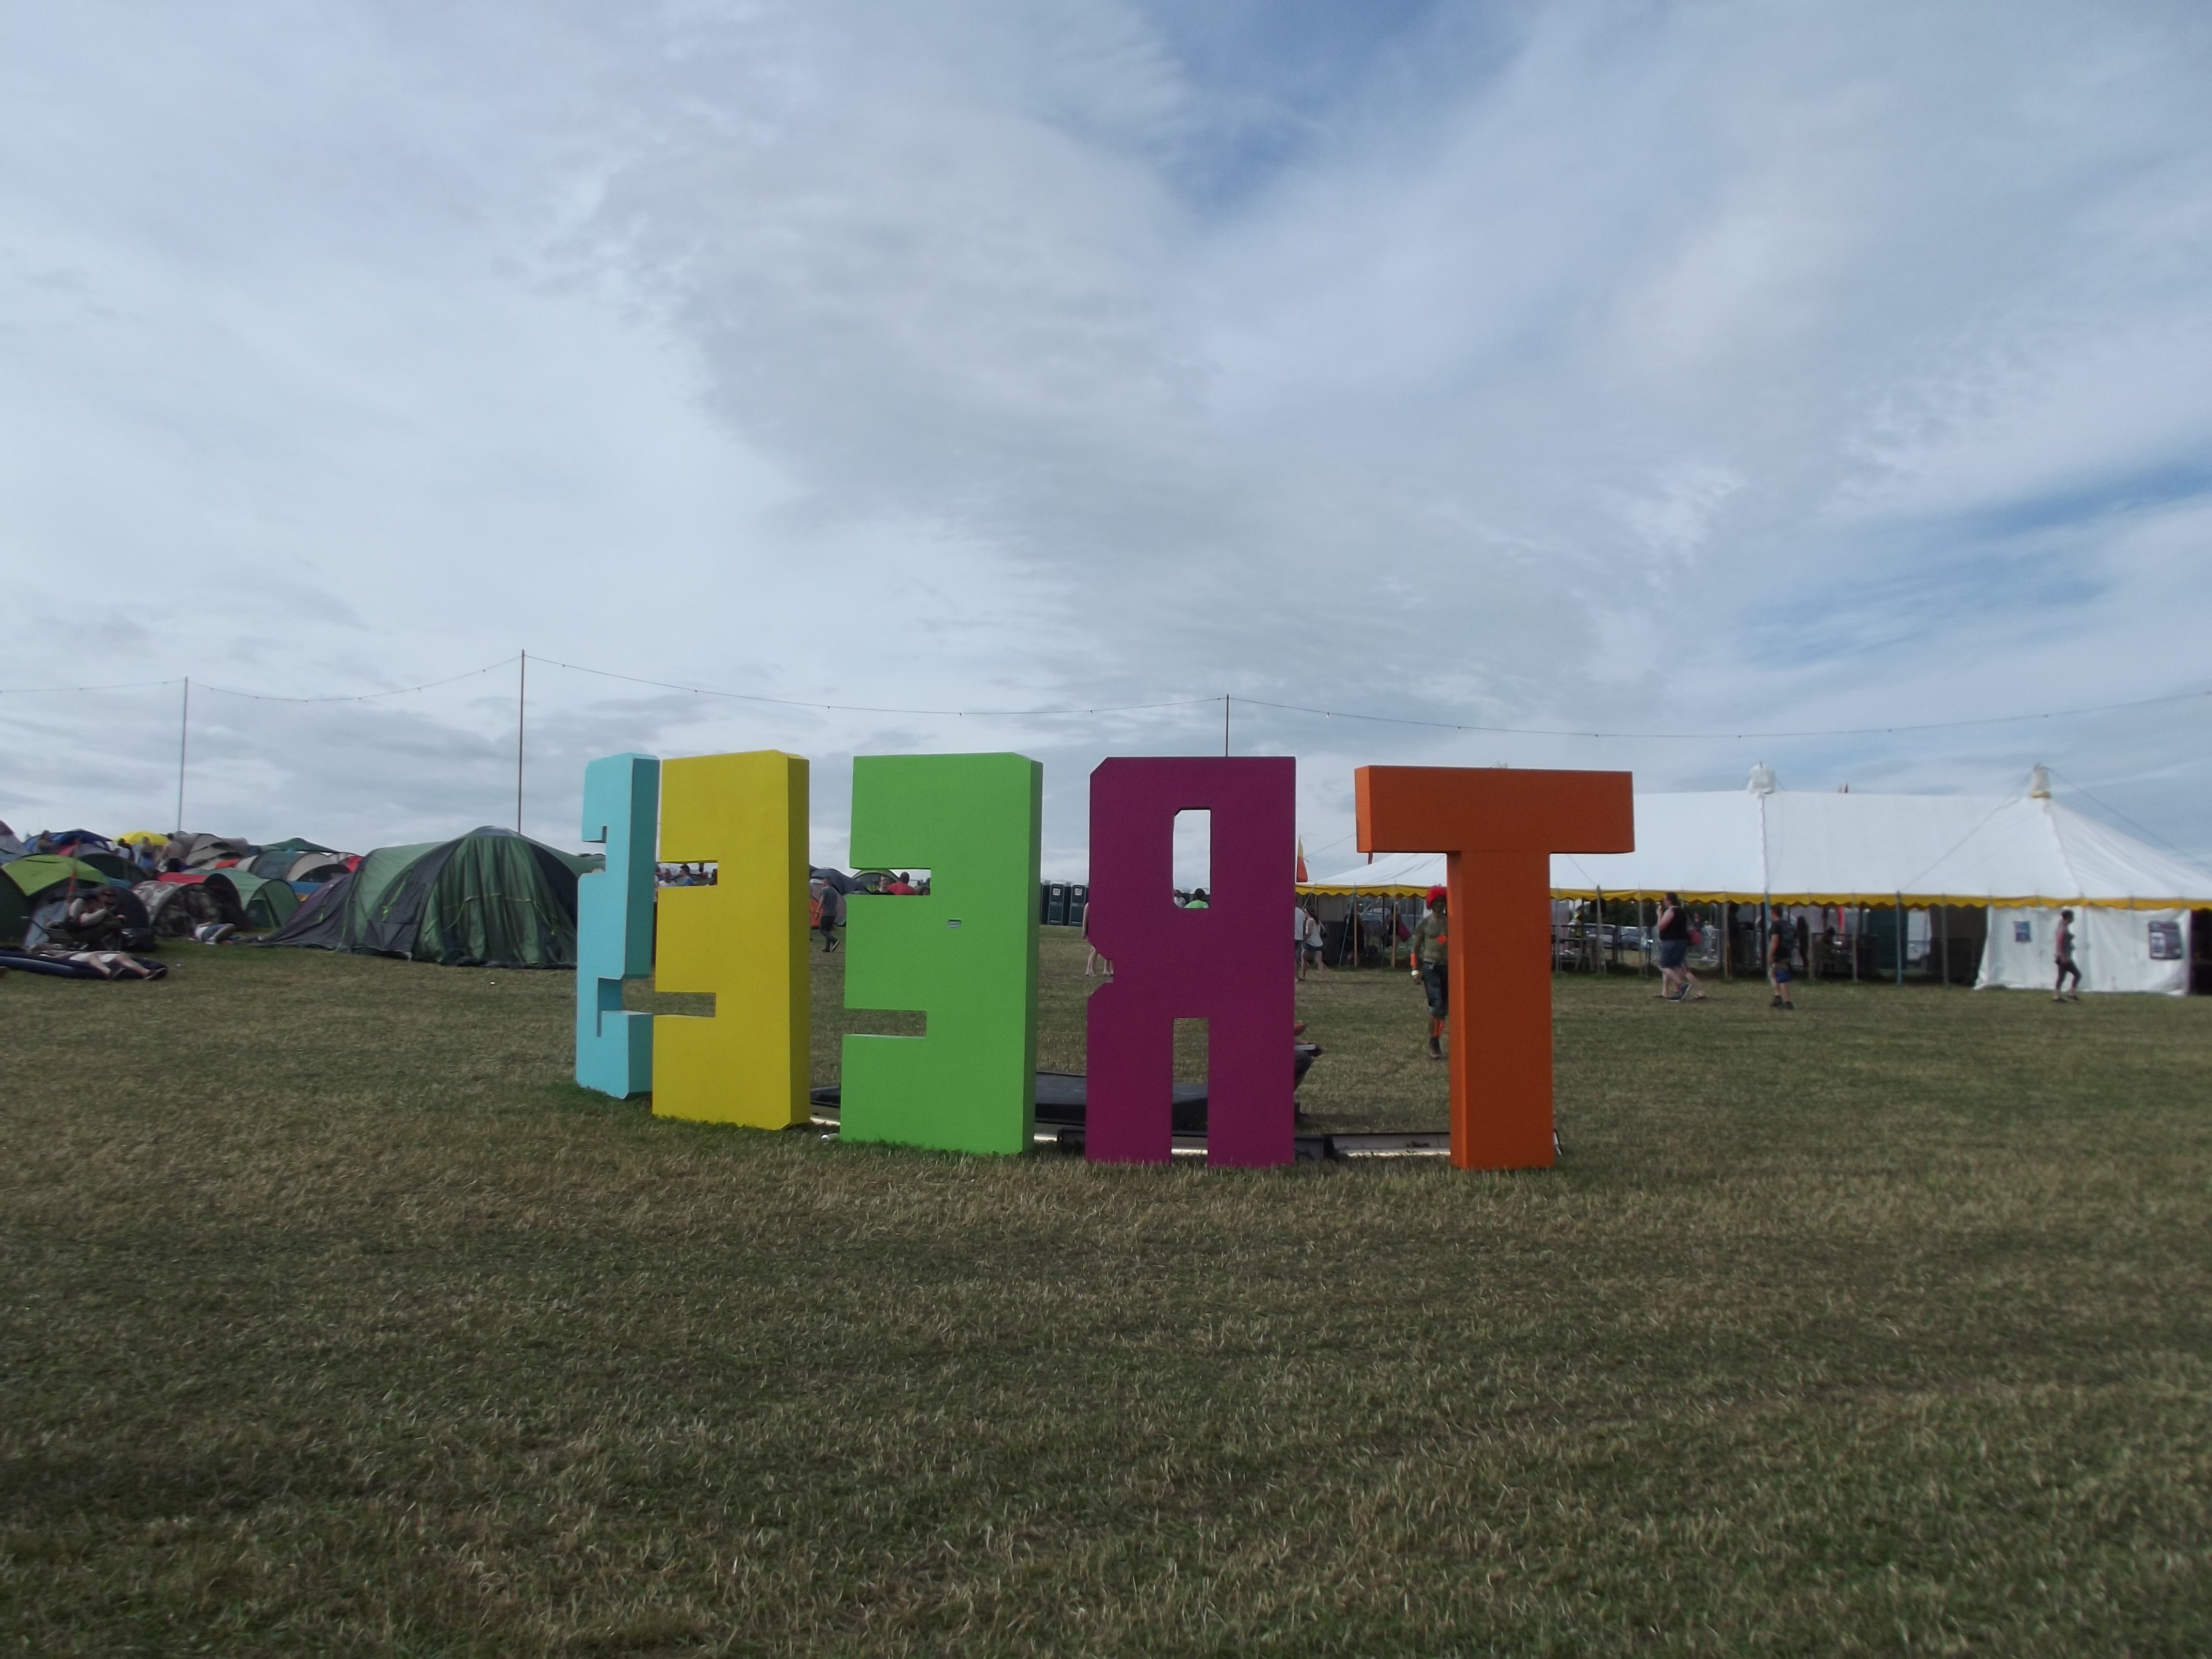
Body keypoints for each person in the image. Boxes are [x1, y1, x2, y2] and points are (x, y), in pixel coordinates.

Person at [1408, 886, 1449, 1059]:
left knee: (1444, 1009)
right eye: (1436, 901)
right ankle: (1433, 1042)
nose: (1439, 904)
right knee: (1436, 1005)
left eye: (1442, 901)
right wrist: (1415, 970)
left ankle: (1437, 1039)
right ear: (1431, 903)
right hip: (1430, 967)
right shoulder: (1424, 924)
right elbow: (1415, 949)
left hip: (1448, 968)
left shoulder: (1452, 922)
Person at [1654, 891, 1703, 1001]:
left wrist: (1659, 915)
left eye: (1665, 899)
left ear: (1669, 900)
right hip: (1683, 941)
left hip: (1672, 942)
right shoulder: (1682, 912)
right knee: (1676, 966)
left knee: (1663, 966)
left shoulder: (1671, 911)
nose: (1664, 901)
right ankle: (1674, 992)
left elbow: (1661, 926)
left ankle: (1682, 986)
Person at [1767, 903, 1795, 1009]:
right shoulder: (1788, 924)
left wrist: (1770, 954)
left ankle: (1788, 1002)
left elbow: (1775, 940)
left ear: (1773, 913)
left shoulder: (1775, 925)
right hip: (1788, 952)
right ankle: (1778, 996)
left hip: (1780, 954)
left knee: (1782, 977)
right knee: (1772, 973)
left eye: (1770, 913)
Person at [2054, 908, 2081, 1001]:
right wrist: (2063, 956)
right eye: (2072, 917)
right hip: (2064, 957)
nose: (2073, 919)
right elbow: (2059, 942)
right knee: (2077, 974)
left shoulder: (2062, 926)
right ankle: (2071, 993)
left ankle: (2058, 996)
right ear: (2069, 918)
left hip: (2064, 956)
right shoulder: (2063, 929)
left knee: (2061, 977)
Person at [1083, 899, 1110, 979]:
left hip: (1100, 929)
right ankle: (1091, 970)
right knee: (1096, 950)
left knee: (1094, 950)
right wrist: (1084, 930)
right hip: (1095, 930)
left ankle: (1090, 970)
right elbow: (1085, 919)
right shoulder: (1089, 905)